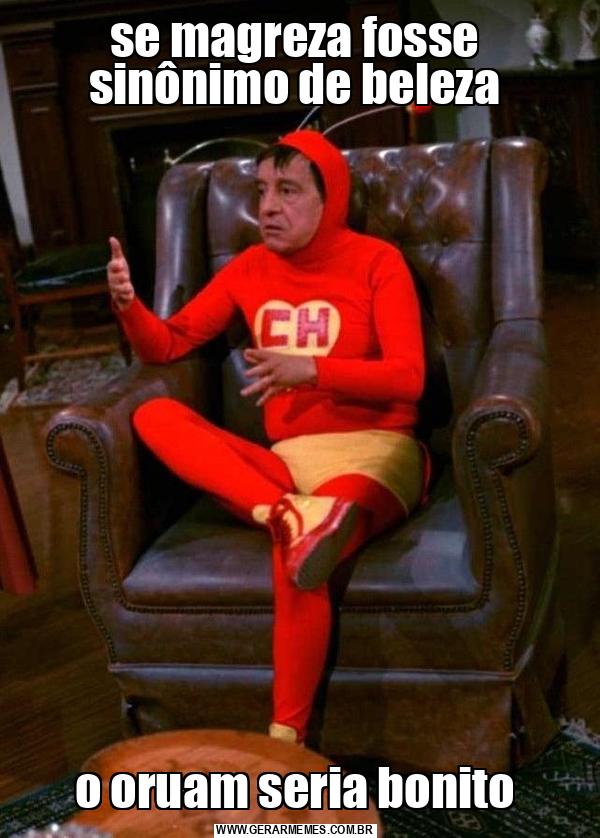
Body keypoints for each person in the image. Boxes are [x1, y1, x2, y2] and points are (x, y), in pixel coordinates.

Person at [107, 129, 427, 746]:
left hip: (374, 452)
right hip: (287, 465)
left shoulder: (377, 262)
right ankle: (284, 512)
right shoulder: (251, 267)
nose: (268, 207)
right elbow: (168, 344)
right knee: (153, 416)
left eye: (288, 191)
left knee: (300, 557)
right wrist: (129, 306)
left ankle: (285, 743)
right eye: (260, 191)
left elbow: (409, 378)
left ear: (329, 199)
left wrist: (312, 370)